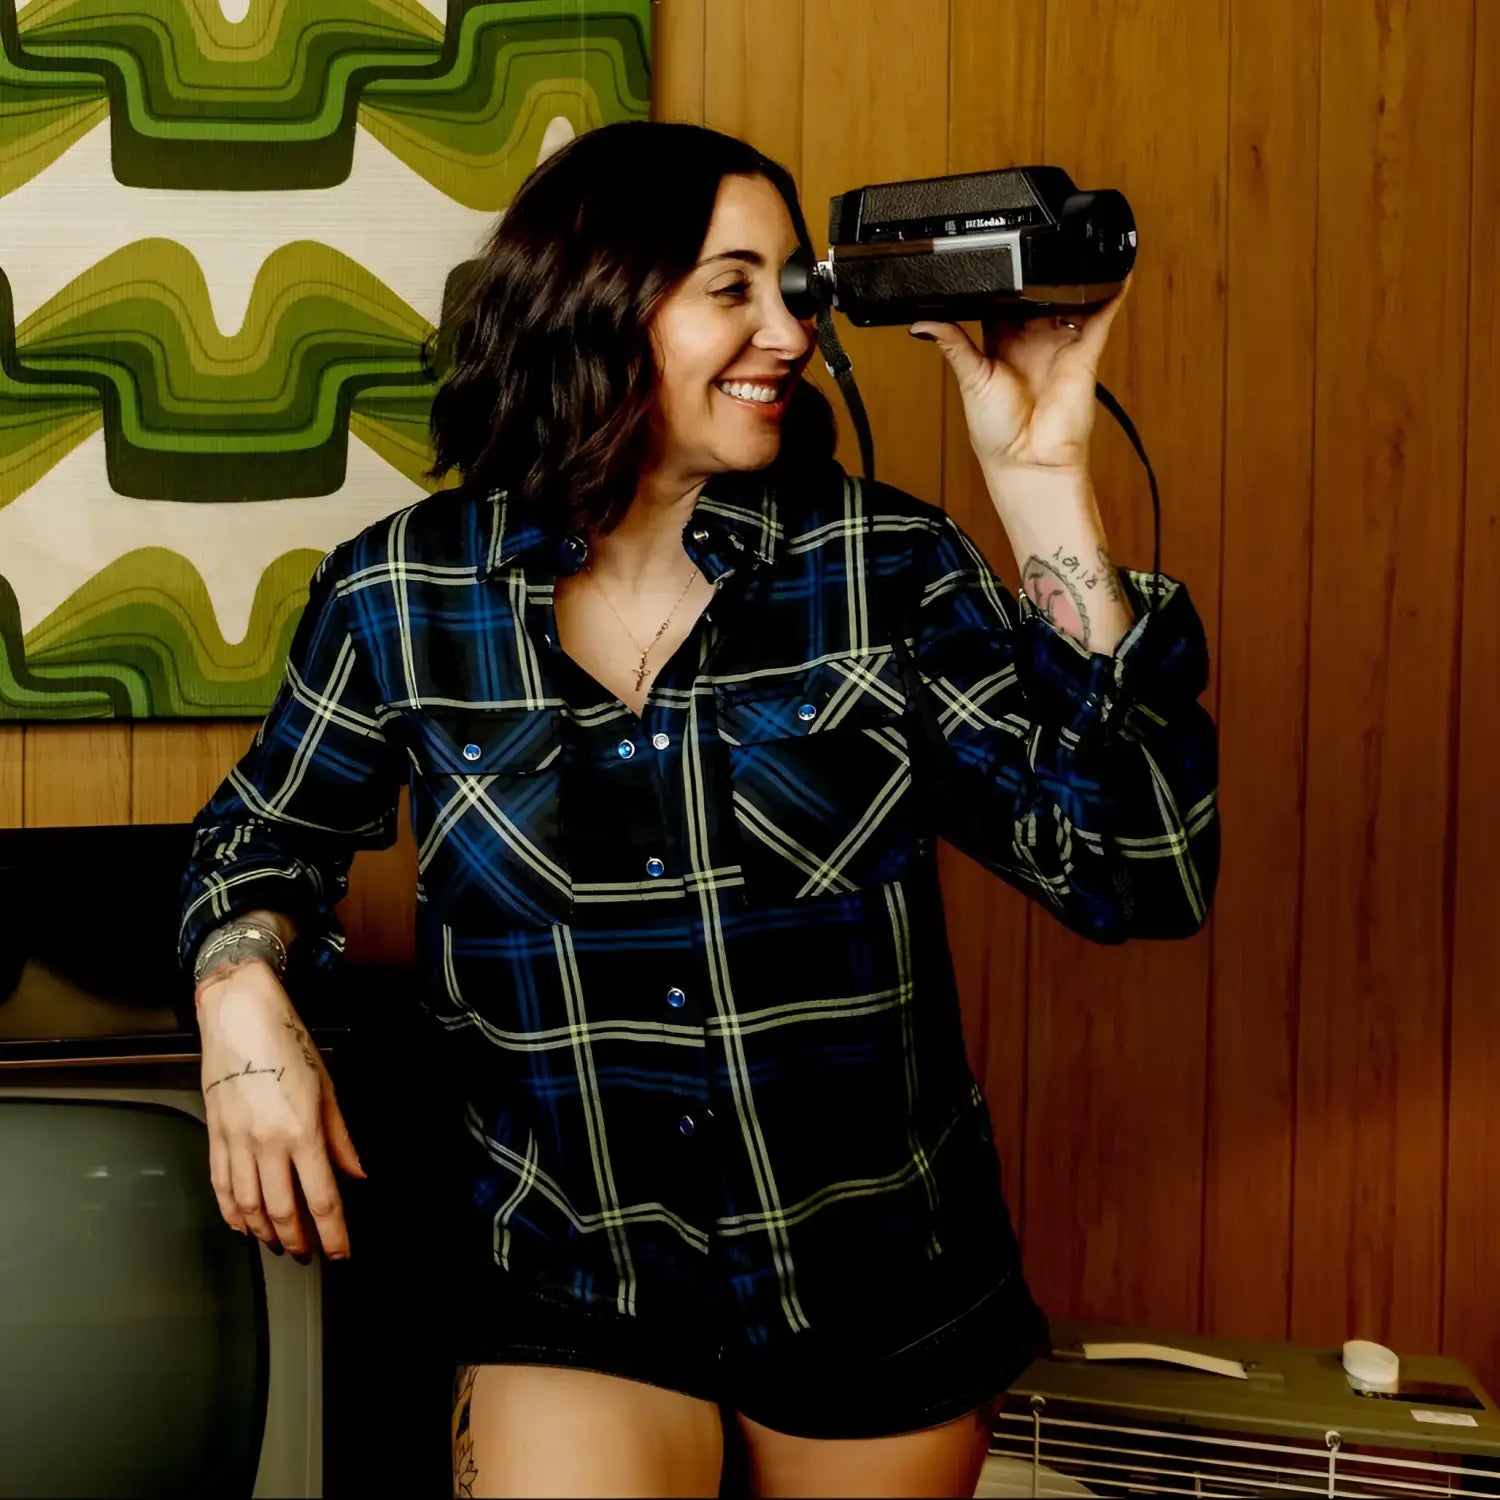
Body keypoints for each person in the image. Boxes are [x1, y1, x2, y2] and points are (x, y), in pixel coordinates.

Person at [177, 121, 1219, 1498]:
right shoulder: (401, 597)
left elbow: (1136, 872)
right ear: (593, 298)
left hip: (876, 1287)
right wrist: (240, 997)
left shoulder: (884, 569)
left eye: (796, 286)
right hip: (572, 1279)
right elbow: (262, 840)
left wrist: (1041, 487)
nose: (789, 327)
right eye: (734, 286)